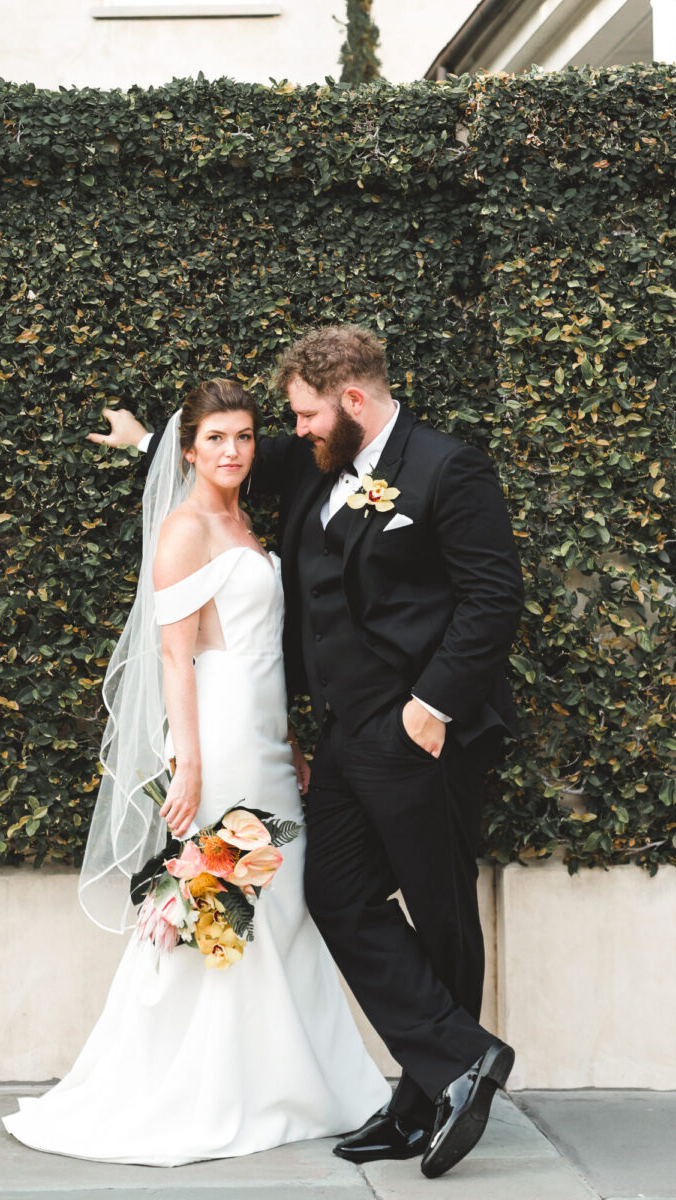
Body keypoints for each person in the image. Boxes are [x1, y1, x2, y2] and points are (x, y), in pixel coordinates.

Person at [112, 327, 525, 1180]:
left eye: (302, 414)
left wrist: (431, 705)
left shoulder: (449, 468)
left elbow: (494, 595)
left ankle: (424, 1100)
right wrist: (152, 442)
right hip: (340, 738)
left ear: (355, 402)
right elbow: (223, 459)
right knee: (334, 895)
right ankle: (460, 1058)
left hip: (420, 731)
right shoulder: (317, 465)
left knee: (443, 912)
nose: (290, 430)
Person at [2, 377, 389, 1166]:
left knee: (277, 901)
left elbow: (260, 645)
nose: (233, 451)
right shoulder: (183, 528)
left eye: (245, 437)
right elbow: (176, 656)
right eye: (217, 438)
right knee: (218, 895)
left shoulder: (245, 519)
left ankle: (286, 1081)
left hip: (266, 733)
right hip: (218, 734)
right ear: (189, 449)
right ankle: (201, 1086)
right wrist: (188, 764)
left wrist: (291, 741)